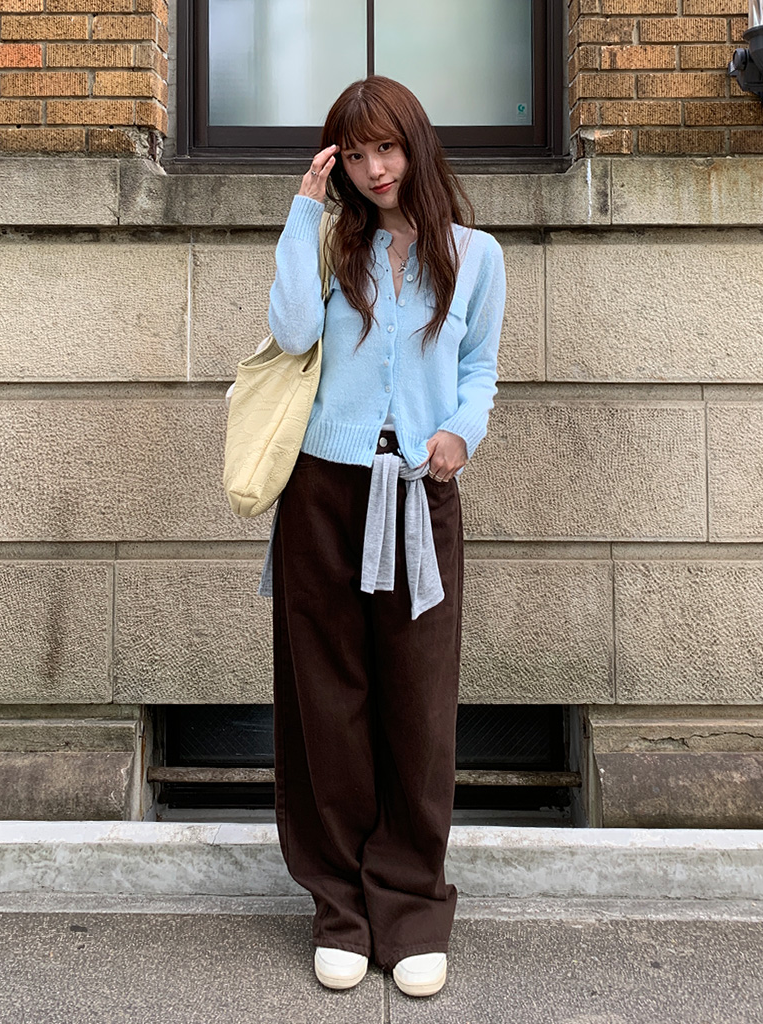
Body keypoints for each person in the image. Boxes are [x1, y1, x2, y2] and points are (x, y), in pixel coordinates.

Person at [262, 75, 506, 998]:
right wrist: (303, 211)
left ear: (416, 145)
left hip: (419, 493)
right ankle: (339, 907)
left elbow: (480, 366)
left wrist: (461, 434)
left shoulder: (475, 255)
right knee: (327, 701)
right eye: (356, 154)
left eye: (387, 148)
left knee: (417, 702)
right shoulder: (331, 245)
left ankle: (408, 908)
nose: (374, 169)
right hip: (324, 493)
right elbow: (291, 333)